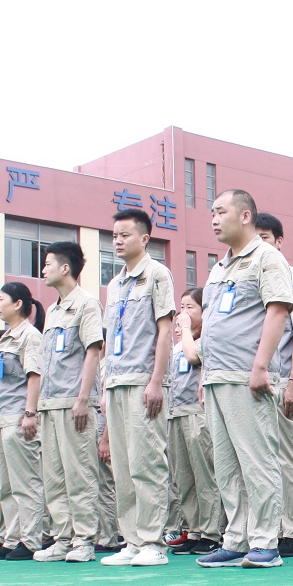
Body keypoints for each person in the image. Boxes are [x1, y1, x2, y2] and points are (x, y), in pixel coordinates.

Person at [194, 190, 293, 569]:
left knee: (257, 460)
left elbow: (278, 310)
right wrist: (205, 376)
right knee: (226, 464)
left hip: (246, 375)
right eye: (212, 213)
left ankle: (266, 541)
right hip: (217, 376)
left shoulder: (267, 257)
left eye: (221, 211)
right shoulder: (219, 267)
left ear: (246, 215)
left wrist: (261, 366)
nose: (214, 219)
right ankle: (236, 539)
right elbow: (213, 324)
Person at [99, 208, 175, 567]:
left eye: (125, 235)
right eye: (114, 235)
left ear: (144, 239)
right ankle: (131, 540)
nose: (117, 241)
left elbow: (164, 330)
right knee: (123, 467)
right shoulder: (114, 285)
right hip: (116, 382)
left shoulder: (157, 274)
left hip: (144, 381)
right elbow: (109, 338)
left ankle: (152, 541)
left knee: (147, 462)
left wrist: (156, 381)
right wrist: (105, 387)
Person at [35, 241, 105, 563]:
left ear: (65, 268)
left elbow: (93, 351)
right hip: (50, 404)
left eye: (48, 263)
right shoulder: (52, 311)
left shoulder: (87, 304)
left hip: (74, 402)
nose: (43, 269)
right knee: (54, 477)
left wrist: (82, 399)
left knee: (80, 474)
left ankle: (84, 540)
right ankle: (62, 538)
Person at [254, 212, 293, 558]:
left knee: (289, 456)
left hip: (280, 381)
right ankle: (268, 529)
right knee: (260, 458)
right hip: (253, 382)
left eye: (264, 237)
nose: (259, 243)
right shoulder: (248, 274)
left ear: (279, 241)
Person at [0, 284, 45, 561]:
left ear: (18, 304)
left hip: (17, 417)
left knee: (26, 482)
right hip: (1, 418)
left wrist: (30, 413)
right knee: (7, 486)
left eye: (2, 299)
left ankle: (31, 539)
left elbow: (34, 376)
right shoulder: (6, 339)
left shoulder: (29, 336)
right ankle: (12, 538)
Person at [168, 289, 222, 555]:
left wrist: (187, 329)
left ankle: (212, 532)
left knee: (204, 474)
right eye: (182, 307)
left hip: (197, 411)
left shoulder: (206, 337)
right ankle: (193, 529)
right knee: (184, 477)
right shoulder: (179, 343)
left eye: (190, 307)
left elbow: (194, 358)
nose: (184, 314)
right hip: (177, 411)